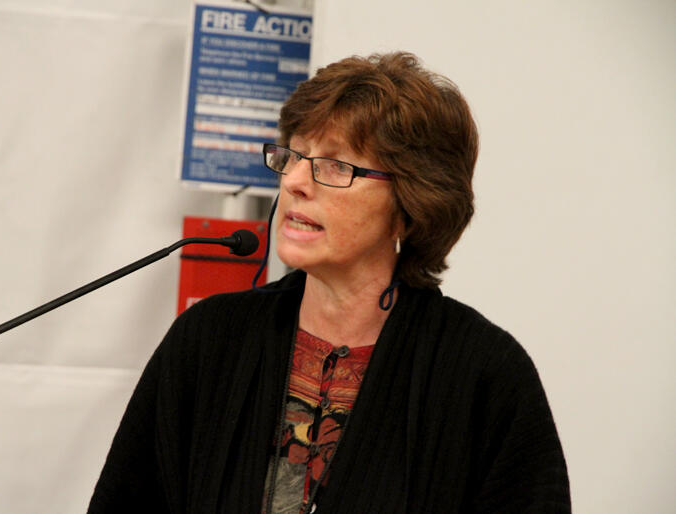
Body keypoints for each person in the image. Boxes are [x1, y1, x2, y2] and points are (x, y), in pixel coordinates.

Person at [89, 52, 570, 513]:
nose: (297, 180)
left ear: (411, 204)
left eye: (336, 166)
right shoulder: (210, 340)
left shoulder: (485, 375)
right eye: (294, 155)